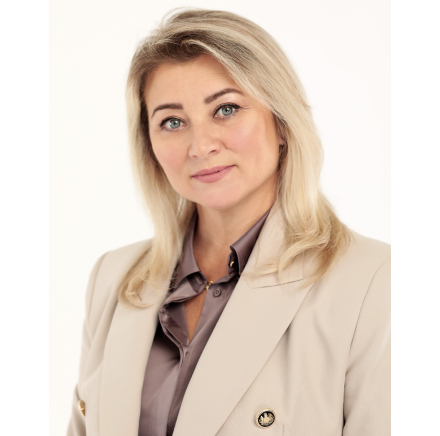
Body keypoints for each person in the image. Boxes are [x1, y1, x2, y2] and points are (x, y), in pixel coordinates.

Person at [66, 8, 390, 436]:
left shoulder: (375, 283)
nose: (200, 146)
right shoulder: (112, 278)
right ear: (149, 144)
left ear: (281, 121)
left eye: (226, 109)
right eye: (172, 122)